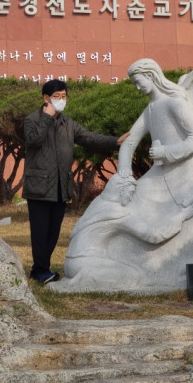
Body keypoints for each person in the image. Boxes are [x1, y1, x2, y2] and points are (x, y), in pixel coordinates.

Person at [50, 58, 193, 293]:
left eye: (139, 82)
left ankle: (176, 266)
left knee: (155, 207)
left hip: (189, 169)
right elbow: (129, 142)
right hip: (164, 169)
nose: (138, 88)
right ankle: (138, 262)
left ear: (151, 76)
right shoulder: (151, 109)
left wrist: (167, 153)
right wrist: (124, 176)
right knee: (135, 197)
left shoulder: (174, 103)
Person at [23, 78, 128, 284]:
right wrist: (47, 117)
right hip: (39, 186)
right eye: (57, 96)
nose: (61, 100)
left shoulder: (67, 123)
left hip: (60, 186)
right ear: (46, 98)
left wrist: (115, 141)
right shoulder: (32, 119)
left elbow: (89, 137)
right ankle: (40, 270)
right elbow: (34, 139)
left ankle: (41, 269)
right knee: (40, 231)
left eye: (64, 96)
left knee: (53, 232)